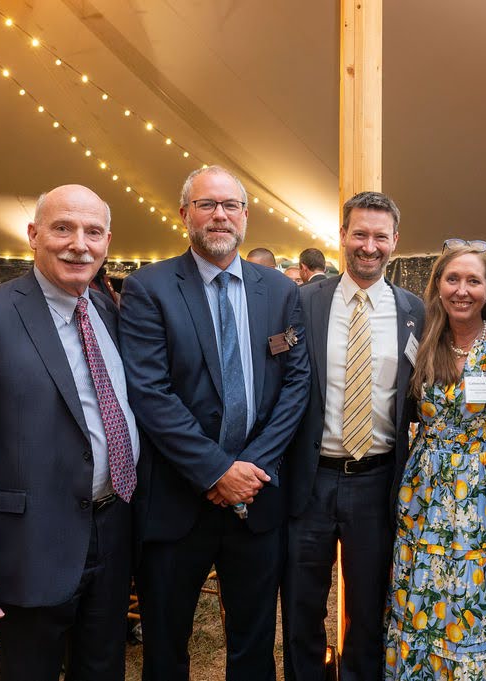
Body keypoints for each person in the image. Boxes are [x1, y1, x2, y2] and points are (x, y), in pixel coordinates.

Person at [0, 185, 139, 680]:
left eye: (92, 232)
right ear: (34, 235)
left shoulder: (107, 311)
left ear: (108, 241)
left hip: (111, 534)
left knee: (103, 669)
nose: (79, 245)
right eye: (63, 228)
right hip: (29, 547)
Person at [120, 166, 309, 681]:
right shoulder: (148, 288)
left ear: (246, 215)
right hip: (179, 499)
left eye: (231, 205)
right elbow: (149, 392)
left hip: (257, 496)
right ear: (184, 214)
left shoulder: (279, 291)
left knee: (252, 645)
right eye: (207, 205)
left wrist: (249, 468)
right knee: (167, 644)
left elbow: (295, 387)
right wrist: (215, 471)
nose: (220, 215)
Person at [282, 191, 424, 681]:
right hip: (310, 479)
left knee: (368, 607)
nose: (369, 246)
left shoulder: (415, 312)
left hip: (376, 481)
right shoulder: (301, 302)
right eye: (359, 234)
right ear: (342, 236)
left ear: (395, 242)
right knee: (301, 606)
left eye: (379, 236)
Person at [385, 240, 486, 680]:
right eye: (453, 279)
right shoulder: (422, 342)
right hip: (425, 488)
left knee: (483, 588)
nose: (462, 290)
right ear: (438, 285)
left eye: (474, 280)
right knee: (426, 588)